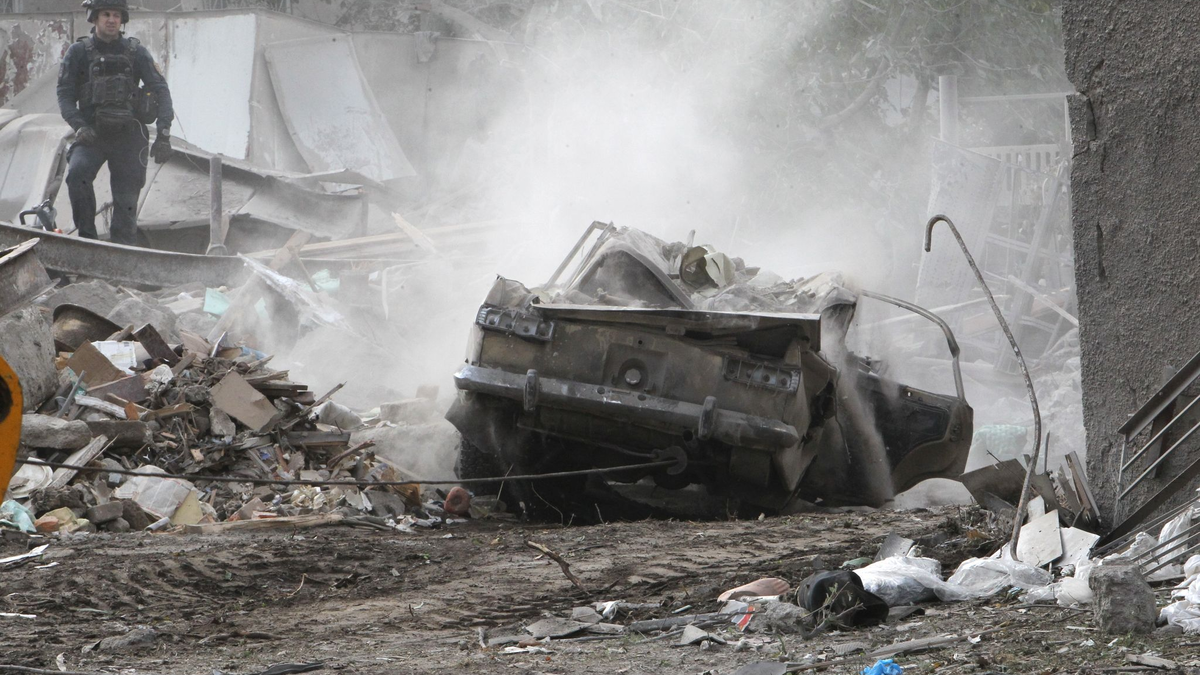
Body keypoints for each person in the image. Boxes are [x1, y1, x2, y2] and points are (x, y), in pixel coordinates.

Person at [56, 0, 174, 246]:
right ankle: (87, 243)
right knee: (77, 175)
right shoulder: (78, 53)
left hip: (129, 136)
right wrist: (79, 126)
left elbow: (160, 90)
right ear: (94, 18)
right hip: (92, 134)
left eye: (117, 15)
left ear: (123, 20)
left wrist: (164, 133)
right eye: (106, 14)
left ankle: (123, 251)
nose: (111, 20)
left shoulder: (136, 52)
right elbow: (65, 94)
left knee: (126, 199)